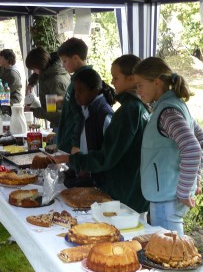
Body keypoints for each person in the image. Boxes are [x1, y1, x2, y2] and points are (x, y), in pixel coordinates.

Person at [133, 57, 203, 272]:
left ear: (157, 82)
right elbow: (202, 140)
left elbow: (191, 146)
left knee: (175, 264)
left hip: (167, 198)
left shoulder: (167, 112)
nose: (138, 91)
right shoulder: (174, 106)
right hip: (163, 195)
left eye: (140, 85)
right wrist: (195, 179)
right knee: (163, 260)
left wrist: (185, 188)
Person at [66, 54, 150, 213]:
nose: (111, 82)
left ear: (131, 79)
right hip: (133, 188)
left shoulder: (130, 110)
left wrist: (73, 160)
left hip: (127, 191)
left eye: (116, 78)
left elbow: (107, 156)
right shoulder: (138, 107)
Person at [65, 68, 115, 189]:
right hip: (89, 176)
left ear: (95, 91)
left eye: (81, 91)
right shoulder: (86, 110)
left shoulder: (105, 115)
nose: (76, 96)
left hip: (101, 182)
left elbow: (107, 154)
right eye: (75, 91)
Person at [56, 37, 93, 153]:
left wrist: (76, 144)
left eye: (65, 61)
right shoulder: (75, 79)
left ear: (76, 58)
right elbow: (75, 102)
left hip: (73, 144)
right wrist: (63, 99)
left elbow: (81, 115)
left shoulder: (85, 80)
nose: (63, 65)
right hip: (67, 138)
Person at [24, 47, 70, 130]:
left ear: (40, 66)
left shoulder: (54, 82)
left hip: (62, 127)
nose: (34, 72)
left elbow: (53, 112)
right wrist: (31, 82)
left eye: (34, 69)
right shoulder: (51, 69)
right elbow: (40, 73)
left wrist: (31, 110)